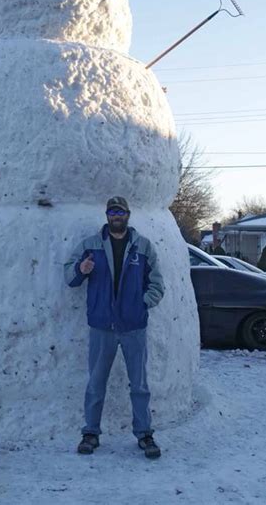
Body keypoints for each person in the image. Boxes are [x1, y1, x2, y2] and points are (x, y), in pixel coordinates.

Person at [64, 196, 165, 459]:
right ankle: (90, 433)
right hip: (102, 326)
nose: (116, 215)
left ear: (128, 214)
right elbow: (70, 277)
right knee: (96, 383)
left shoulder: (143, 247)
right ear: (107, 215)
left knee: (139, 384)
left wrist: (143, 303)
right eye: (112, 211)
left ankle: (144, 433)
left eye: (120, 211)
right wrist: (80, 269)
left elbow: (157, 283)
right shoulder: (90, 245)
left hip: (134, 326)